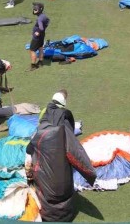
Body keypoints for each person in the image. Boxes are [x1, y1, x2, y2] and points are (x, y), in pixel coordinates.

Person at [25, 89, 96, 222]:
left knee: (46, 179)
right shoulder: (64, 124)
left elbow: (33, 143)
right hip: (58, 157)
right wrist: (90, 173)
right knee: (60, 178)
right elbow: (74, 151)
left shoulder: (43, 119)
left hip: (44, 156)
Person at [29, 2, 50, 71]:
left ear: (40, 9)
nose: (34, 10)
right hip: (42, 35)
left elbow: (41, 28)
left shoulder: (39, 19)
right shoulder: (43, 16)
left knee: (32, 50)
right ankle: (40, 62)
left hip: (37, 37)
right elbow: (48, 21)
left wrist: (37, 32)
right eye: (34, 9)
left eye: (35, 9)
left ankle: (33, 65)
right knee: (40, 48)